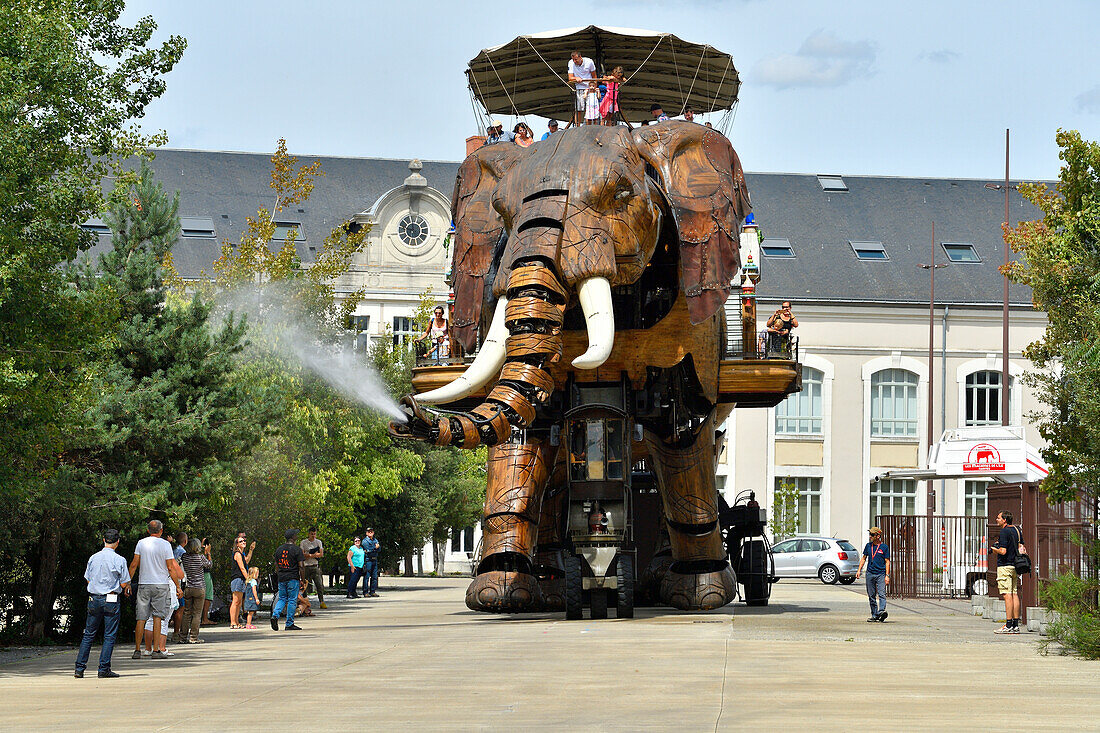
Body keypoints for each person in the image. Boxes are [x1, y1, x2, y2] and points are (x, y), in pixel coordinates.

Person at [75, 528, 131, 678]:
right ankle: (103, 669)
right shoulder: (120, 560)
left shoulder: (93, 557)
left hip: (94, 598)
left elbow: (88, 578)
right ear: (117, 542)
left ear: (103, 540)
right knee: (109, 635)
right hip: (111, 598)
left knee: (88, 634)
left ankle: (79, 668)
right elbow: (125, 583)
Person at [128, 519, 183, 660]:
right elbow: (170, 567)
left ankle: (137, 650)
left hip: (144, 584)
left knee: (141, 618)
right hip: (161, 584)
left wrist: (128, 582)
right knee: (158, 617)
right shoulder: (165, 545)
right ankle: (156, 649)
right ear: (161, 531)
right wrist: (177, 586)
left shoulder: (141, 543)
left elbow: (134, 564)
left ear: (148, 531)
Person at [991, 510, 1022, 634]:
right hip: (1015, 566)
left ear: (1004, 520)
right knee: (1014, 594)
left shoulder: (1004, 531)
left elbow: (1003, 551)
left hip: (1005, 566)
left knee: (1006, 594)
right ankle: (1015, 624)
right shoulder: (1017, 530)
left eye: (998, 518)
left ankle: (1008, 624)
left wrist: (994, 549)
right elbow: (1020, 546)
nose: (996, 520)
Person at [179, 538, 212, 643]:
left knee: (186, 612)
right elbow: (209, 565)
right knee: (197, 613)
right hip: (199, 587)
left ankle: (182, 637)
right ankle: (193, 637)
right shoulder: (200, 557)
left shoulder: (184, 557)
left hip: (188, 587)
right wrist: (208, 553)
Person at [272, 528, 305, 631]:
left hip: (282, 577)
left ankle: (275, 615)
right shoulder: (296, 549)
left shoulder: (279, 549)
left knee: (282, 598)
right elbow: (301, 566)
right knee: (292, 600)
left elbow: (276, 565)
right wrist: (303, 579)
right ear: (293, 537)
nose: (297, 536)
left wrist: (280, 574)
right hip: (292, 577)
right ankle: (289, 623)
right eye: (296, 535)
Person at [856, 527, 891, 622]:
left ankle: (882, 611)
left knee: (882, 594)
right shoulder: (868, 546)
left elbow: (887, 562)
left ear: (878, 536)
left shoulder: (884, 547)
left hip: (881, 574)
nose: (870, 536)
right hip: (870, 573)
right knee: (871, 595)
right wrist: (859, 570)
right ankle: (874, 614)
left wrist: (887, 576)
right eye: (870, 534)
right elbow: (863, 558)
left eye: (872, 535)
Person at [299, 526, 327, 610]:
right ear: (308, 534)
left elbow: (321, 554)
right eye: (312, 534)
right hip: (306, 566)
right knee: (304, 584)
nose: (313, 536)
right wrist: (313, 555)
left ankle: (321, 601)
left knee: (319, 584)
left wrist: (310, 555)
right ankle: (305, 601)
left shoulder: (318, 542)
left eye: (314, 534)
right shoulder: (304, 542)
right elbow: (302, 555)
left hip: (315, 565)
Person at [567, 50, 596, 125]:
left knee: (590, 107)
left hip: (589, 88)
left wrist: (594, 87)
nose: (574, 61)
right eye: (573, 59)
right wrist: (576, 78)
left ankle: (589, 125)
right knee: (579, 108)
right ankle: (578, 125)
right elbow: (570, 77)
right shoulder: (571, 63)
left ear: (580, 57)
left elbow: (594, 76)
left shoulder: (589, 62)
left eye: (576, 59)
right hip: (579, 88)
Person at [228, 536, 250, 629]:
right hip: (237, 579)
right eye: (241, 541)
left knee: (239, 602)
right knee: (235, 601)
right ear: (237, 544)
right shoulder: (237, 554)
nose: (243, 542)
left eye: (244, 541)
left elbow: (247, 561)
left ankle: (237, 622)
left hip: (241, 579)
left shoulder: (242, 554)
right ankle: (232, 622)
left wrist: (251, 550)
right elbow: (242, 568)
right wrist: (248, 579)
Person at [170, 531, 187, 642]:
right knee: (180, 608)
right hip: (179, 582)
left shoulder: (173, 550)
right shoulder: (182, 552)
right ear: (185, 541)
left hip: (171, 581)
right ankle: (176, 632)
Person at [361, 528, 381, 597]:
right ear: (366, 533)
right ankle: (365, 592)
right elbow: (368, 550)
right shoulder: (365, 541)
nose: (370, 532)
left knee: (374, 577)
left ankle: (372, 591)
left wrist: (376, 548)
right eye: (369, 531)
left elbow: (379, 549)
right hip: (368, 560)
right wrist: (375, 548)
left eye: (371, 531)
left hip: (374, 560)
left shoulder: (375, 540)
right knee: (367, 576)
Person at [201, 537, 215, 625]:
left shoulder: (197, 553)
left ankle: (203, 618)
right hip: (205, 575)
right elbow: (209, 565)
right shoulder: (201, 555)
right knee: (207, 597)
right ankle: (204, 618)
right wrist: (208, 553)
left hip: (200, 577)